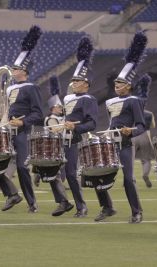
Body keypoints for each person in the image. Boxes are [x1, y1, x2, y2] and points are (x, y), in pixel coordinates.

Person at [93, 32, 147, 224]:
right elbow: (111, 123)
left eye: (121, 82)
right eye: (116, 82)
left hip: (125, 144)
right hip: (111, 143)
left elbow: (142, 125)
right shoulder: (110, 102)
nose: (117, 85)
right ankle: (107, 207)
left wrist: (130, 131)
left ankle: (136, 212)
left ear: (129, 85)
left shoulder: (134, 101)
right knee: (97, 173)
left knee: (128, 179)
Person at [0, 25, 44, 213]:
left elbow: (39, 114)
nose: (13, 70)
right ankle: (11, 194)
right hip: (9, 130)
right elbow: (8, 111)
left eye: (15, 67)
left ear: (23, 70)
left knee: (22, 168)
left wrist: (23, 122)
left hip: (23, 132)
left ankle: (31, 202)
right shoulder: (9, 89)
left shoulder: (31, 87)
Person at [61, 36, 98, 218]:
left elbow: (92, 123)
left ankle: (81, 206)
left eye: (77, 81)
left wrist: (75, 128)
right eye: (73, 80)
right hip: (64, 137)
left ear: (86, 84)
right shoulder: (68, 99)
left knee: (71, 173)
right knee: (51, 170)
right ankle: (63, 202)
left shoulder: (88, 99)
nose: (73, 83)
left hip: (77, 139)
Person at [37, 75, 74, 216]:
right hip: (52, 147)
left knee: (57, 174)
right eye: (58, 106)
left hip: (62, 146)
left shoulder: (61, 117)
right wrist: (65, 124)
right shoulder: (50, 118)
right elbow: (54, 129)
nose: (60, 108)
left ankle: (64, 201)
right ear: (53, 108)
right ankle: (39, 173)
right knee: (55, 173)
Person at [132, 74, 155, 188]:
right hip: (145, 134)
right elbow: (153, 125)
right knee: (146, 159)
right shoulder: (149, 114)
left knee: (129, 159)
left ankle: (131, 180)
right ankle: (145, 174)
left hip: (132, 134)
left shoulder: (130, 111)